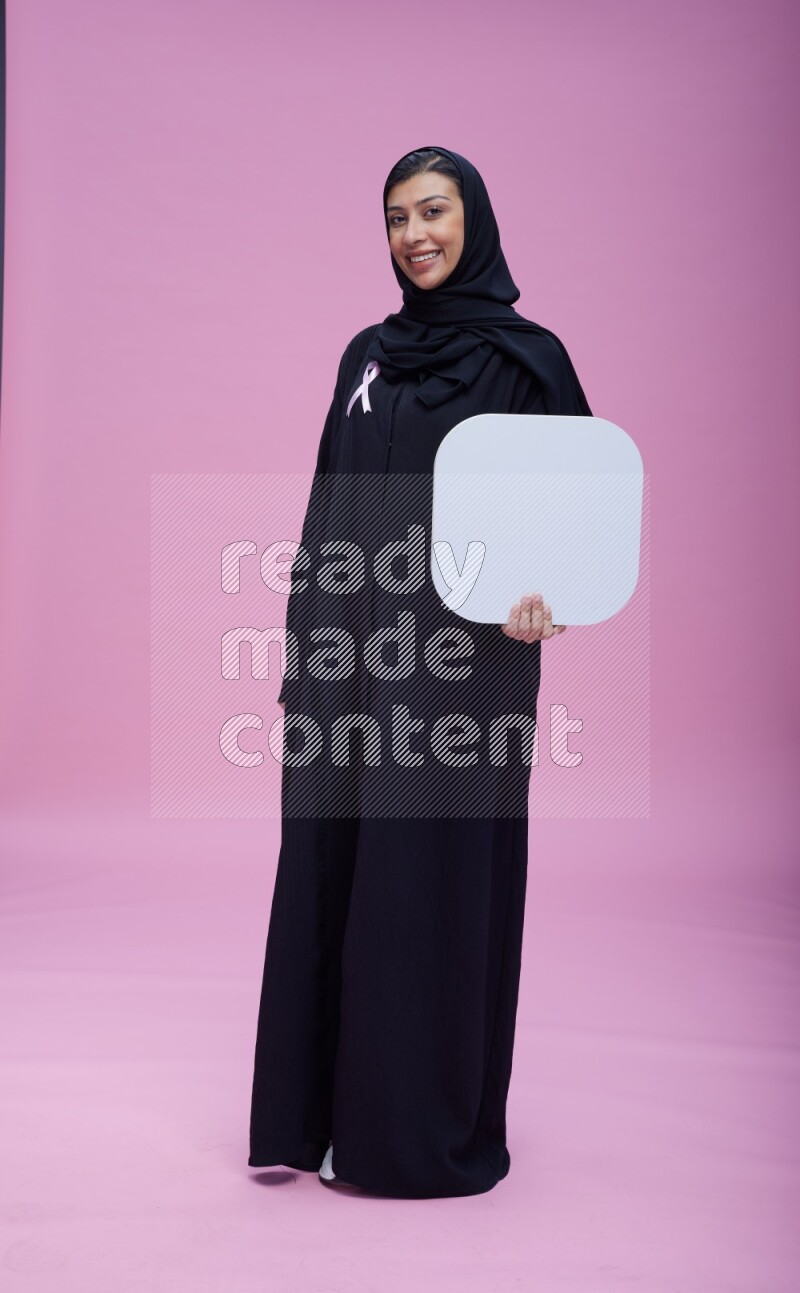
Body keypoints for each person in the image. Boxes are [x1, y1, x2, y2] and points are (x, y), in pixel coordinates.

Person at [248, 146, 592, 1199]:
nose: (415, 236)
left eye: (433, 211)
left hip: (461, 676)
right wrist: (302, 647)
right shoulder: (365, 354)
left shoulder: (526, 361)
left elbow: (574, 518)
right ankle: (316, 1122)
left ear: (472, 218)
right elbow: (325, 500)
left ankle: (412, 1134)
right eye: (397, 218)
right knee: (333, 875)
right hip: (349, 662)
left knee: (423, 889)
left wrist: (548, 594)